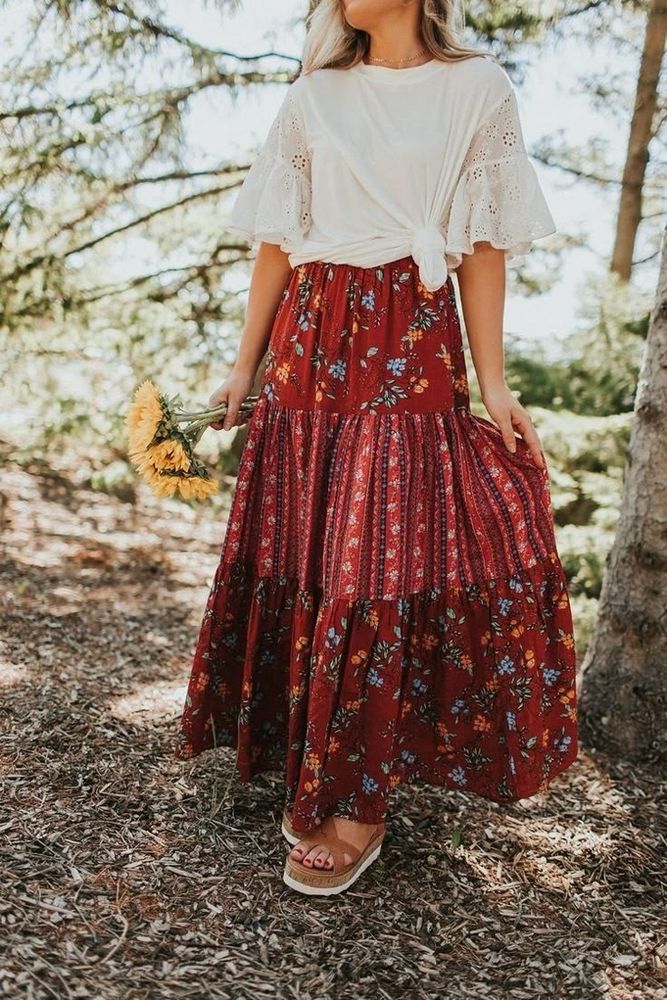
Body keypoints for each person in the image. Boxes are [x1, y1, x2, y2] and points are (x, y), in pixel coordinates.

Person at [174, 0, 579, 897]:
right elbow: (277, 241)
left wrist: (495, 383)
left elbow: (480, 244)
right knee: (309, 550)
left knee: (374, 568)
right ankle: (309, 759)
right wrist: (242, 366)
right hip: (309, 340)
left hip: (410, 335)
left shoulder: (477, 87)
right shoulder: (314, 94)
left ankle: (355, 799)